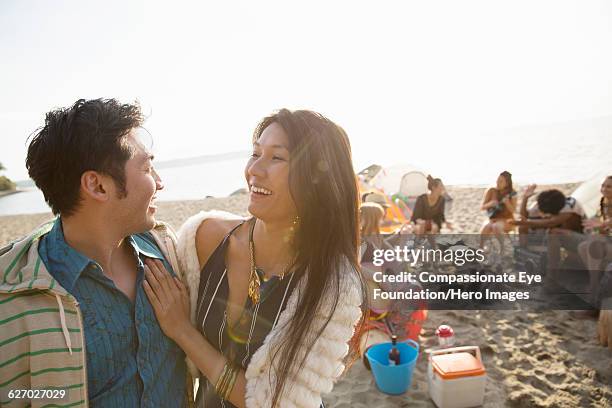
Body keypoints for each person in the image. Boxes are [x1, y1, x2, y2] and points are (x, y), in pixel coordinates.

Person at [142, 109, 366, 408]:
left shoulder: (334, 284)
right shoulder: (203, 237)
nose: (254, 170)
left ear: (315, 178)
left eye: (276, 158)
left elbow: (270, 402)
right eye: (255, 153)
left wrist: (182, 330)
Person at [0, 99, 189, 407]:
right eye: (146, 167)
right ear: (97, 186)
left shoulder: (170, 252)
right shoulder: (13, 300)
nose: (159, 182)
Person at [480, 171, 517, 253]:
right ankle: (481, 248)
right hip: (493, 218)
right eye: (497, 180)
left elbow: (513, 211)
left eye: (501, 181)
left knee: (496, 226)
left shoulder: (512, 193)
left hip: (507, 220)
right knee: (486, 227)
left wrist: (507, 203)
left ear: (507, 183)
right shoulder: (491, 190)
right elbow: (482, 207)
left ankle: (502, 248)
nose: (498, 183)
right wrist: (490, 203)